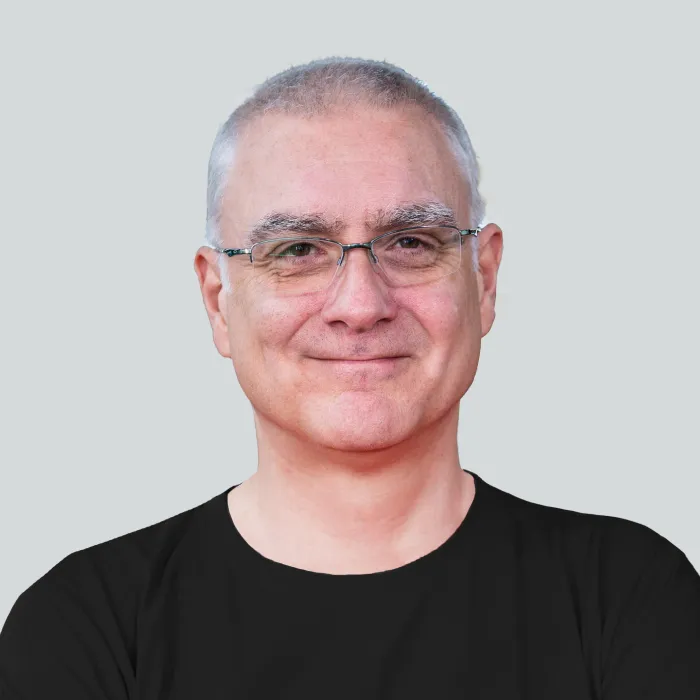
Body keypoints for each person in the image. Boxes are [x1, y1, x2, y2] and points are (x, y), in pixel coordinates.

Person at [1, 57, 698, 700]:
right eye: (297, 249)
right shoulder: (85, 628)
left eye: (411, 242)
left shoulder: (628, 599)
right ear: (218, 300)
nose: (360, 305)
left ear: (484, 280)